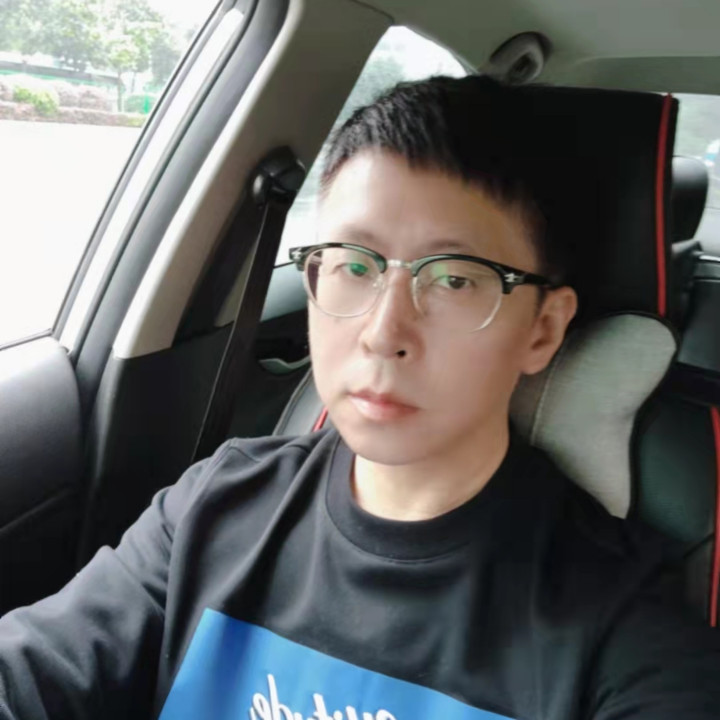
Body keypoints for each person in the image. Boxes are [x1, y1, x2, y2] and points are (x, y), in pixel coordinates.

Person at [1, 76, 719, 720]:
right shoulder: (214, 506)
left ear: (543, 329)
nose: (383, 333)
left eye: (455, 278)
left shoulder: (622, 623)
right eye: (354, 265)